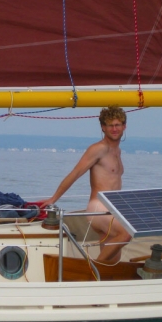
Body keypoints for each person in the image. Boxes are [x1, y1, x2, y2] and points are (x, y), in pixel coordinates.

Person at [40, 106, 131, 263]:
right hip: (98, 207)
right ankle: (91, 271)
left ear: (124, 126)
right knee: (126, 232)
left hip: (113, 209)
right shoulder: (98, 149)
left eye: (118, 124)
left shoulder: (118, 152)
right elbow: (75, 173)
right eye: (110, 125)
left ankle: (98, 278)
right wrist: (54, 198)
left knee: (112, 261)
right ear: (103, 127)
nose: (114, 129)